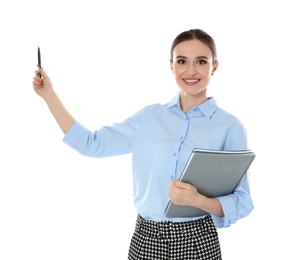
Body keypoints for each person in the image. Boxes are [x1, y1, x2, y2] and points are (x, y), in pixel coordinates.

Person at [32, 28, 254, 260]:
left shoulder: (230, 127)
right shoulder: (148, 118)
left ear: (214, 66)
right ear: (171, 66)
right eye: (181, 61)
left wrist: (199, 201)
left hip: (198, 240)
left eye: (201, 61)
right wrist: (49, 95)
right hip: (146, 239)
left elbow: (243, 200)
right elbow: (91, 144)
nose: (191, 70)